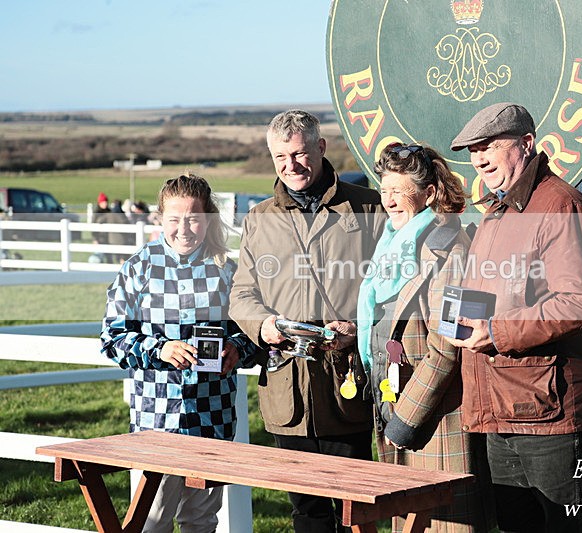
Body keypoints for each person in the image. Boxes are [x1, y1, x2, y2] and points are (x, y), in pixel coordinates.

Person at [447, 103, 582, 533]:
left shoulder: (561, 206)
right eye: (472, 150)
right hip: (502, 404)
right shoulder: (496, 211)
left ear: (526, 144)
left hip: (550, 411)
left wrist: (497, 332)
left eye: (489, 146)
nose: (479, 158)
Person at [229, 109, 386, 533]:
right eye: (281, 157)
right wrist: (263, 326)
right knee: (307, 511)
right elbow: (242, 294)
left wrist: (355, 327)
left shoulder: (369, 207)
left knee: (357, 508)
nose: (291, 166)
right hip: (287, 390)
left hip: (346, 385)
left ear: (321, 147)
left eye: (299, 153)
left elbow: (393, 288)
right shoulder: (259, 219)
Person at [101, 174, 258, 532]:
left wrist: (238, 349)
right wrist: (160, 348)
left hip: (212, 416)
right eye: (174, 218)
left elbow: (249, 330)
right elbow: (111, 337)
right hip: (157, 420)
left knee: (201, 521)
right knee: (151, 521)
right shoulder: (138, 269)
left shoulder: (227, 271)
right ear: (160, 218)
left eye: (193, 218)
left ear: (208, 220)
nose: (183, 228)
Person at [356, 143, 494, 532]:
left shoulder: (451, 250)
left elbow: (447, 347)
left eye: (400, 191)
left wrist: (405, 419)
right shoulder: (390, 244)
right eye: (385, 190)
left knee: (442, 525)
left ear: (429, 193)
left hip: (435, 421)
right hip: (394, 408)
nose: (389, 201)